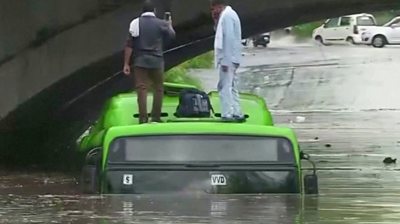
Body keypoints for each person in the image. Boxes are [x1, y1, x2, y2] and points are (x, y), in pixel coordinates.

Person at [123, 0, 175, 124]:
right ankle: (156, 117)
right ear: (154, 11)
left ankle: (143, 118)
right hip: (157, 60)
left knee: (142, 88)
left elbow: (129, 44)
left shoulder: (135, 23)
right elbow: (172, 36)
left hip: (140, 61)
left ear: (142, 11)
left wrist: (126, 63)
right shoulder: (161, 23)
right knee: (158, 88)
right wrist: (170, 24)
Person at [210, 0, 245, 122]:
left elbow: (228, 38)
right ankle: (237, 112)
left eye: (213, 9)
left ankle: (227, 113)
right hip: (232, 57)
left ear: (219, 6)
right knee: (232, 85)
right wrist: (216, 21)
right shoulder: (228, 15)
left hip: (228, 58)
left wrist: (225, 60)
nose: (213, 11)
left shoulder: (228, 16)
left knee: (224, 86)